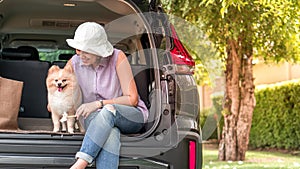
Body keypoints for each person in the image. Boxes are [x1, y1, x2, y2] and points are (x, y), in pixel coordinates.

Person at [65, 22, 149, 169]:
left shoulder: (118, 57)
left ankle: (81, 162)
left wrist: (99, 104)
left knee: (109, 110)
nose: (80, 54)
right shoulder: (74, 62)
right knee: (110, 132)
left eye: (86, 51)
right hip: (95, 119)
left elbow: (132, 99)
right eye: (78, 49)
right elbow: (60, 87)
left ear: (99, 51)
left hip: (129, 115)